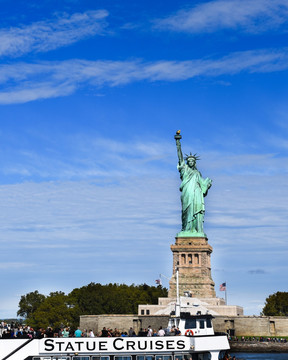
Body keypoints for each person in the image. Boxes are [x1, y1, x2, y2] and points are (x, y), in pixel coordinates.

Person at [175, 131, 212, 234]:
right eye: (189, 161)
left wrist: (207, 183)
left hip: (196, 194)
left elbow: (203, 185)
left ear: (194, 163)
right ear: (187, 162)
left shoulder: (197, 173)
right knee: (186, 212)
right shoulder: (185, 169)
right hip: (187, 193)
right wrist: (178, 143)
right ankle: (186, 229)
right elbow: (180, 156)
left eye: (192, 161)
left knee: (196, 211)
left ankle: (196, 230)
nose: (190, 162)